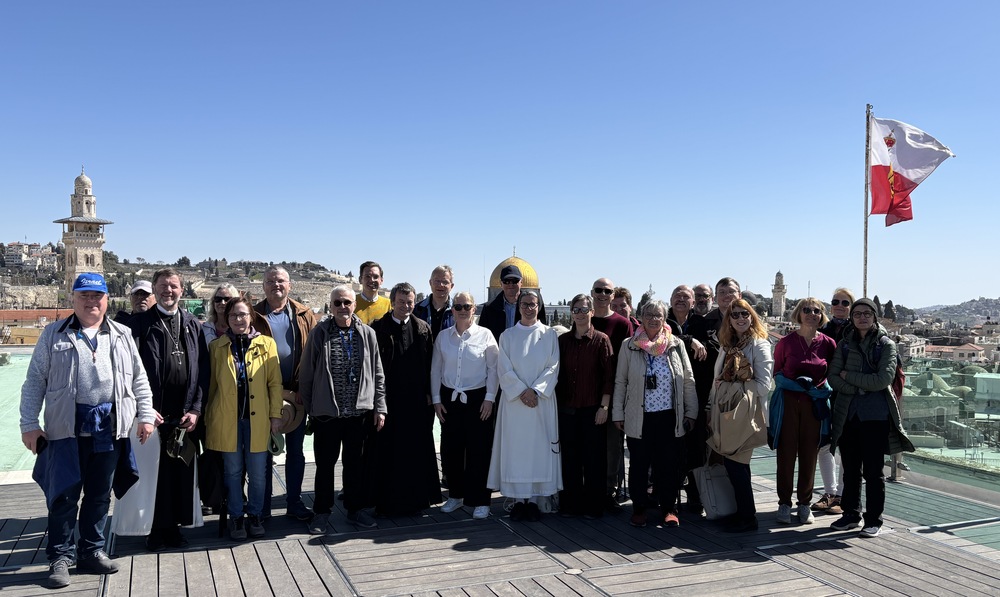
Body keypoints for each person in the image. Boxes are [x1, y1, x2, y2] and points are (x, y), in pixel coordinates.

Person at [20, 273, 157, 589]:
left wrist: (146, 415)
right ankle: (60, 557)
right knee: (64, 496)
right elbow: (34, 381)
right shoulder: (53, 334)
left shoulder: (122, 334)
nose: (91, 301)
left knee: (99, 495)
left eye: (97, 296)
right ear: (73, 298)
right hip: (65, 430)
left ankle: (92, 551)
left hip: (109, 428)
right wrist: (29, 425)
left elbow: (139, 378)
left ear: (106, 299)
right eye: (84, 296)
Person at [129, 267, 210, 551]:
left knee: (179, 474)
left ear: (182, 290)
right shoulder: (140, 325)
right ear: (154, 290)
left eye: (174, 286)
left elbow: (203, 371)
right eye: (163, 286)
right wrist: (144, 409)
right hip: (153, 414)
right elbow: (129, 371)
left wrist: (196, 409)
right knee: (155, 476)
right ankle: (154, 530)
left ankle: (174, 528)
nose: (168, 291)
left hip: (184, 415)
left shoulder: (192, 324)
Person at [301, 285, 386, 533]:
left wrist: (380, 407)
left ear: (354, 305)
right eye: (337, 303)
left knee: (354, 465)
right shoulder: (319, 334)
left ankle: (354, 509)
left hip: (358, 414)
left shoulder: (367, 334)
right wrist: (312, 408)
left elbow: (378, 373)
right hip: (327, 415)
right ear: (331, 306)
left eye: (347, 302)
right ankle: (321, 512)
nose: (342, 307)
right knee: (324, 466)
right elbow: (306, 374)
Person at [828, 298, 914, 538]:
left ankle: (874, 520)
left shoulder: (886, 345)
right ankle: (850, 514)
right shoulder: (844, 344)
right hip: (847, 414)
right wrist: (859, 387)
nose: (862, 317)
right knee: (850, 469)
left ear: (874, 317)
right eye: (857, 314)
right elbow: (833, 377)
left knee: (874, 472)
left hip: (875, 416)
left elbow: (882, 380)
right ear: (852, 318)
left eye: (867, 313)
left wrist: (849, 377)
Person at [612, 299, 697, 528]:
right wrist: (617, 413)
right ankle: (639, 508)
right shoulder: (629, 345)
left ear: (664, 318)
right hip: (639, 416)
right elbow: (620, 381)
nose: (653, 319)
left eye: (658, 315)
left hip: (669, 416)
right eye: (648, 314)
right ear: (641, 317)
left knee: (668, 464)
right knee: (639, 464)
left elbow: (688, 380)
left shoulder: (675, 345)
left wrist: (691, 412)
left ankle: (668, 508)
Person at [204, 296, 283, 541]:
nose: (238, 319)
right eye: (233, 315)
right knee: (232, 472)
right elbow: (211, 387)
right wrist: (207, 419)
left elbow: (274, 383)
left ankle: (255, 515)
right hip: (227, 421)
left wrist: (275, 415)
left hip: (258, 422)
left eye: (242, 314)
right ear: (226, 318)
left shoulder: (267, 344)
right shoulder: (216, 347)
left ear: (251, 317)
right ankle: (236, 517)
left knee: (258, 473)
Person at [487, 290, 561, 521]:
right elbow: (503, 368)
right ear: (519, 306)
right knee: (516, 450)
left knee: (539, 449)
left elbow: (553, 366)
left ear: (539, 307)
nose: (529, 308)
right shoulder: (507, 336)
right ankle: (518, 501)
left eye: (533, 304)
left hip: (541, 401)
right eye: (525, 304)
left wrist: (535, 390)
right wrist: (521, 391)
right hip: (515, 404)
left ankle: (537, 500)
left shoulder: (549, 334)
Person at [253, 265, 318, 521]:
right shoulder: (253, 315)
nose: (276, 285)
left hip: (295, 396)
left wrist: (304, 388)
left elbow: (314, 355)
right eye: (270, 281)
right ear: (263, 286)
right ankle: (263, 506)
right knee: (263, 454)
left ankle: (294, 502)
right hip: (262, 397)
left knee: (295, 452)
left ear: (289, 285)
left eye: (280, 281)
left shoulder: (304, 314)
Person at [372, 282, 441, 515]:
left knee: (415, 451)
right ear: (392, 302)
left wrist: (430, 394)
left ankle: (416, 502)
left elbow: (431, 364)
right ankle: (387, 504)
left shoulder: (423, 328)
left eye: (410, 302)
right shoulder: (378, 328)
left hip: (416, 402)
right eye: (401, 302)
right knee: (387, 451)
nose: (406, 306)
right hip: (388, 401)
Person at [432, 292, 499, 520]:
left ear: (474, 309)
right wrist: (436, 399)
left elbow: (493, 369)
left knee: (479, 451)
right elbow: (436, 370)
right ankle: (456, 495)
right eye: (458, 306)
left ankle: (480, 500)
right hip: (450, 399)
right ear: (452, 310)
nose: (462, 310)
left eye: (467, 306)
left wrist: (489, 398)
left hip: (478, 399)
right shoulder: (443, 337)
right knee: (451, 450)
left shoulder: (486, 335)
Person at [709, 298, 773, 533]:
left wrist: (731, 387)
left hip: (746, 413)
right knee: (734, 464)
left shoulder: (759, 344)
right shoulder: (727, 345)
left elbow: (764, 385)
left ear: (752, 317)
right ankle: (743, 513)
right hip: (726, 411)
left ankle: (748, 517)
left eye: (745, 314)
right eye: (734, 314)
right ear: (729, 320)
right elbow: (717, 378)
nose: (740, 318)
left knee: (737, 465)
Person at [772, 298, 836, 525]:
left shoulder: (828, 344)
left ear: (822, 315)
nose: (811, 314)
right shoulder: (786, 342)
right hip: (788, 403)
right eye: (806, 310)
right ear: (798, 314)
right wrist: (798, 386)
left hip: (814, 405)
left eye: (816, 311)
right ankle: (784, 503)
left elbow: (832, 374)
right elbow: (777, 373)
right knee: (786, 454)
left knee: (810, 454)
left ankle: (804, 504)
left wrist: (821, 390)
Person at [557, 294, 613, 519]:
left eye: (584, 309)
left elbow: (608, 378)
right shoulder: (562, 341)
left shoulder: (601, 340)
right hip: (568, 409)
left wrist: (604, 407)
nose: (580, 314)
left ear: (592, 312)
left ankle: (593, 506)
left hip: (593, 409)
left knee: (593, 460)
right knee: (570, 459)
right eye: (576, 310)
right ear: (571, 313)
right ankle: (571, 505)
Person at [590, 277, 635, 512]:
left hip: (614, 393)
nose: (603, 294)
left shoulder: (622, 324)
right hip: (586, 393)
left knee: (612, 446)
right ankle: (590, 490)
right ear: (592, 292)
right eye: (598, 290)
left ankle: (609, 492)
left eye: (607, 291)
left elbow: (629, 360)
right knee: (589, 445)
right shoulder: (584, 318)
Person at [667, 285, 711, 514]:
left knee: (696, 447)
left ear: (693, 302)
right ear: (670, 300)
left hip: (696, 393)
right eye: (677, 296)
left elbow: (710, 352)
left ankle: (695, 495)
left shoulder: (702, 323)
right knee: (669, 448)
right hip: (667, 395)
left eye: (686, 297)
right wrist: (690, 340)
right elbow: (662, 340)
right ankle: (667, 496)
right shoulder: (662, 321)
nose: (681, 300)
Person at [813, 288, 855, 515]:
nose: (840, 305)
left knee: (846, 446)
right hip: (825, 395)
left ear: (852, 306)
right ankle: (830, 493)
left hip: (848, 395)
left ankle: (842, 495)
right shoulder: (823, 330)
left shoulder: (856, 331)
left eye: (845, 302)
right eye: (835, 301)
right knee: (824, 444)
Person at [479, 265, 547, 341]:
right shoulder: (489, 308)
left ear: (521, 282)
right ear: (501, 283)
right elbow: (483, 336)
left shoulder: (532, 305)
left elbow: (542, 330)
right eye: (506, 281)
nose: (511, 285)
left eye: (515, 281)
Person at [413, 264, 455, 339]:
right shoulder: (417, 309)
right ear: (430, 283)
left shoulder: (457, 310)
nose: (440, 285)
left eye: (445, 282)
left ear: (451, 286)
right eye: (437, 281)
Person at [354, 260, 391, 325]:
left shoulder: (389, 305)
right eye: (367, 276)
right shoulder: (350, 303)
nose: (372, 280)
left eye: (376, 277)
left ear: (381, 280)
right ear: (360, 279)